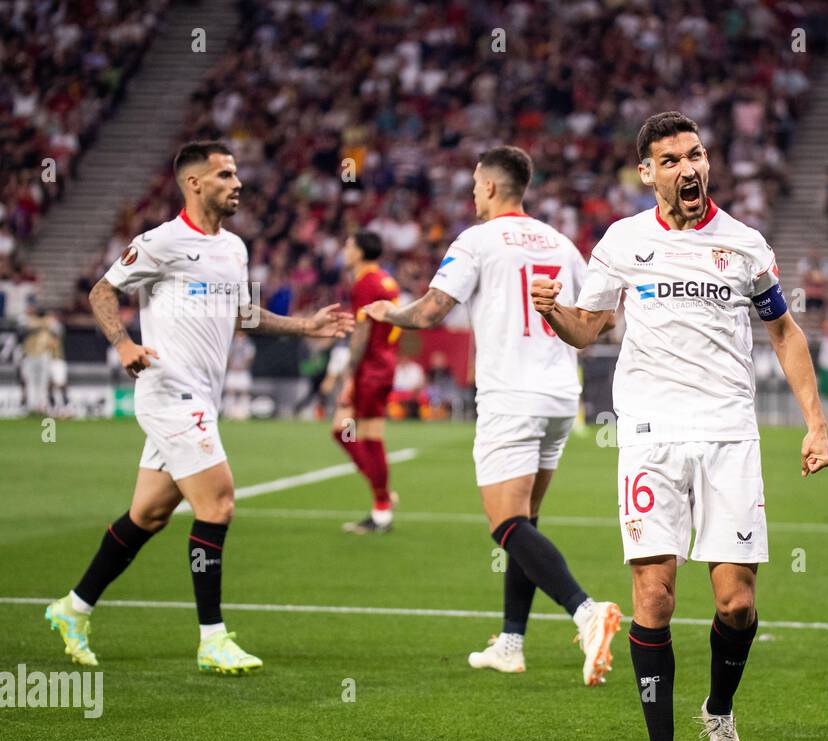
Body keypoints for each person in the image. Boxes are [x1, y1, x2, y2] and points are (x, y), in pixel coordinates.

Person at [531, 111, 828, 741]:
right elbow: (588, 328)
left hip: (729, 434)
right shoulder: (622, 241)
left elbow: (785, 332)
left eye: (695, 155)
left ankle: (718, 710)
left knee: (736, 605)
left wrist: (815, 424)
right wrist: (553, 310)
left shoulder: (746, 245)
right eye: (670, 160)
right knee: (654, 595)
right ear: (648, 173)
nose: (688, 168)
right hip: (649, 435)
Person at [44, 141, 352, 674]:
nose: (238, 183)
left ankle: (72, 607)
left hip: (200, 397)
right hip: (169, 393)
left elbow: (242, 314)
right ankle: (212, 638)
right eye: (225, 175)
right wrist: (123, 344)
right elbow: (101, 292)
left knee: (149, 514)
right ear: (194, 184)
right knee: (219, 504)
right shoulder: (161, 242)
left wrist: (306, 325)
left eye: (236, 174)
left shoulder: (233, 248)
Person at [366, 145, 622, 686]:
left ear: (487, 187)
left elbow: (434, 310)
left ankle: (586, 611)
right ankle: (510, 642)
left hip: (510, 397)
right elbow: (601, 319)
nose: (472, 194)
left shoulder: (478, 241)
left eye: (474, 186)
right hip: (558, 396)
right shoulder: (560, 243)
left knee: (505, 525)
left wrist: (386, 312)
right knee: (525, 522)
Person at [332, 230, 402, 534]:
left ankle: (382, 511)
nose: (345, 250)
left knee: (371, 437)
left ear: (359, 252)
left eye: (348, 245)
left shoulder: (365, 284)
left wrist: (349, 370)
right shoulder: (385, 280)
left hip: (371, 369)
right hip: (383, 363)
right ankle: (382, 493)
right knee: (342, 430)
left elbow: (361, 331)